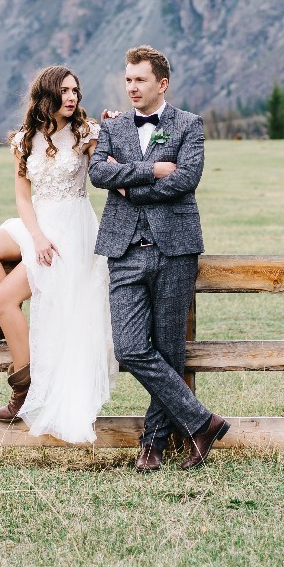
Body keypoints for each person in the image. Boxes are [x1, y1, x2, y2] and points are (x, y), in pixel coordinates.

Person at [89, 45, 229, 471]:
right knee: (130, 348)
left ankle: (152, 446)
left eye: (140, 80)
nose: (132, 87)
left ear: (161, 84)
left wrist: (128, 186)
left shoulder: (189, 124)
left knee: (169, 351)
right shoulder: (112, 127)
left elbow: (187, 179)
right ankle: (201, 422)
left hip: (175, 248)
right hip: (124, 248)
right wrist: (151, 170)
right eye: (128, 80)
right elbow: (98, 173)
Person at [0, 66, 117, 443]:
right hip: (38, 223)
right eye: (64, 91)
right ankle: (6, 324)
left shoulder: (86, 134)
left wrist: (116, 130)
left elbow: (110, 168)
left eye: (76, 91)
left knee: (3, 297)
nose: (72, 97)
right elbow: (22, 196)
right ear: (46, 95)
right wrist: (36, 235)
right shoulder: (24, 139)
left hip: (70, 229)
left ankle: (23, 387)